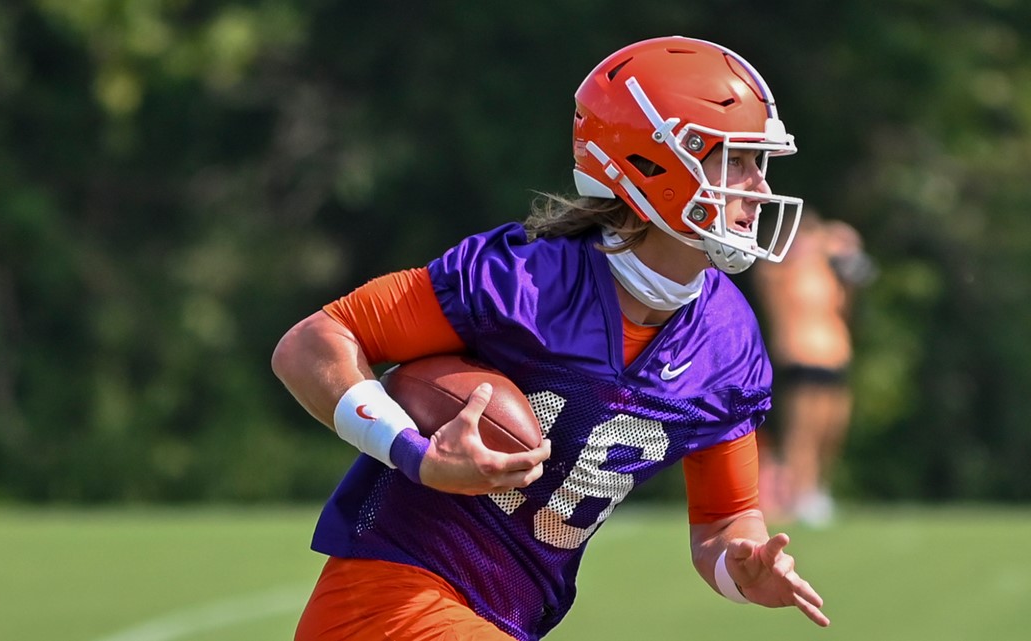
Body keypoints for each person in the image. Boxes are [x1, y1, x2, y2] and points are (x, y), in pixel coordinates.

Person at [272, 36, 829, 641]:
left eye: (759, 163)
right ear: (655, 161)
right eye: (736, 161)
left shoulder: (727, 341)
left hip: (507, 618)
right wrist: (417, 453)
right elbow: (312, 342)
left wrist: (741, 569)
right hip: (390, 597)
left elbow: (724, 521)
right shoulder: (524, 280)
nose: (759, 188)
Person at [751, 211, 876, 527]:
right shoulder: (782, 271)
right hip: (799, 355)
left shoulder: (827, 274)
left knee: (832, 429)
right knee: (803, 431)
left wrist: (840, 248)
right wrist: (809, 246)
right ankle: (799, 494)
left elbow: (846, 305)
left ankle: (818, 489)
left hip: (834, 355)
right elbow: (768, 275)